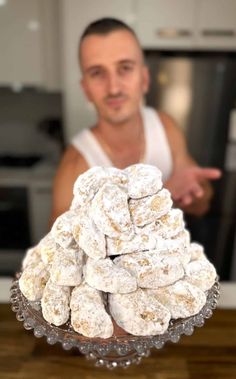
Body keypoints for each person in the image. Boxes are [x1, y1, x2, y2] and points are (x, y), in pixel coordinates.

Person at [49, 18, 221, 226]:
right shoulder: (75, 167)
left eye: (125, 68)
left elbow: (201, 206)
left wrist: (195, 194)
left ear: (145, 79)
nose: (113, 88)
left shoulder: (165, 128)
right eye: (97, 73)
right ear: (86, 89)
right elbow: (58, 252)